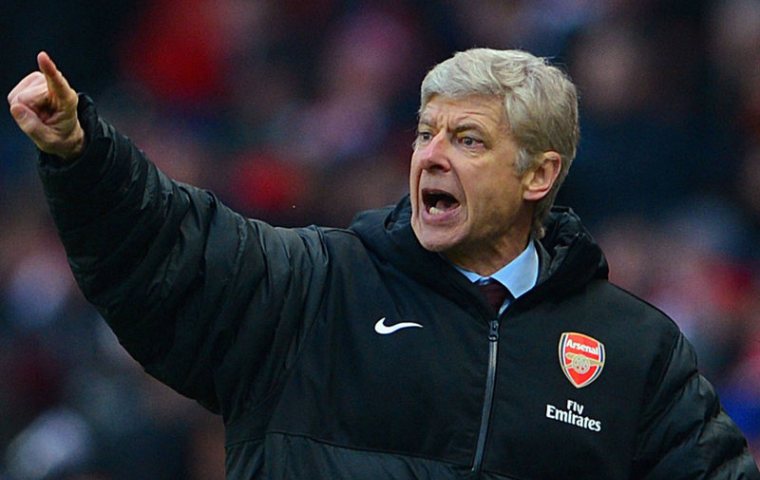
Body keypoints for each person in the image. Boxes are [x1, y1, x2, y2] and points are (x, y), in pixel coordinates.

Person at [7, 48, 760, 479]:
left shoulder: (635, 352)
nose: (432, 155)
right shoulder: (314, 286)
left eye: (467, 139)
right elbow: (170, 248)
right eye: (425, 133)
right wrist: (83, 154)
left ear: (539, 175)